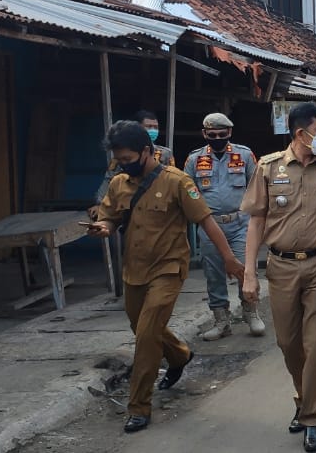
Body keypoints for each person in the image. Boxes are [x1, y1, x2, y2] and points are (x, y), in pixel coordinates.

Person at [86, 120, 243, 434]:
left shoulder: (177, 182)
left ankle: (139, 407)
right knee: (140, 324)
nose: (125, 166)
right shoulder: (118, 183)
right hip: (134, 269)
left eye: (129, 159)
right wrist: (103, 228)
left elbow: (206, 222)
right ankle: (180, 354)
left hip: (168, 268)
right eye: (120, 161)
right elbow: (109, 217)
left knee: (145, 335)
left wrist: (230, 259)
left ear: (147, 151)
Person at [239, 102, 316, 453]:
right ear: (301, 133)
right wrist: (249, 273)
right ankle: (303, 397)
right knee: (288, 342)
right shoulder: (267, 168)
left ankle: (312, 416)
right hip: (280, 267)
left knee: (315, 342)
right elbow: (256, 222)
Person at [183, 113, 264, 341]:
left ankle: (251, 313)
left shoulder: (245, 155)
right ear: (204, 134)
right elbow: (188, 191)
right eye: (213, 135)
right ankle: (221, 321)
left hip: (239, 223)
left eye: (222, 134)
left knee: (245, 269)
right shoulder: (194, 160)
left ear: (230, 133)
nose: (218, 138)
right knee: (213, 274)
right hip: (209, 225)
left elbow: (256, 188)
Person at [92, 110, 176, 206]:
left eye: (155, 127)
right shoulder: (121, 155)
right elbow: (108, 181)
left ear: (146, 151)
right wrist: (100, 204)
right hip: (126, 202)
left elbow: (170, 182)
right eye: (149, 127)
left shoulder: (165, 154)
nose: (153, 130)